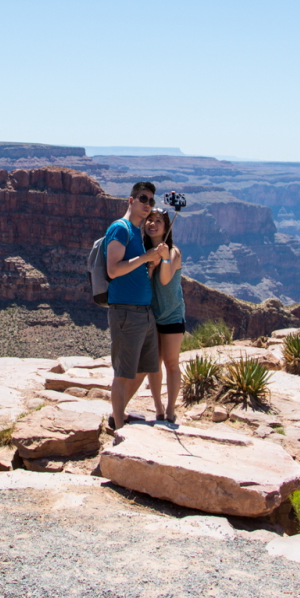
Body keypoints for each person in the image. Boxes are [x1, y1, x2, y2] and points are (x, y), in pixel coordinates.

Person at [104, 181, 163, 430]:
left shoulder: (136, 232)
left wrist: (148, 266)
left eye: (151, 201)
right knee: (122, 372)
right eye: (143, 198)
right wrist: (146, 257)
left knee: (145, 366)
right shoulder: (120, 229)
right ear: (130, 200)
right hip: (126, 311)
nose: (147, 204)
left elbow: (132, 266)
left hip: (143, 311)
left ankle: (120, 414)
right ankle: (118, 428)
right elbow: (113, 269)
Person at [142, 209, 185, 425]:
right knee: (153, 364)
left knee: (171, 363)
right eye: (149, 219)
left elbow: (166, 280)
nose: (153, 223)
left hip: (172, 316)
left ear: (166, 226)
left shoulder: (174, 252)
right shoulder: (144, 251)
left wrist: (164, 259)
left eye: (158, 221)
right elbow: (145, 284)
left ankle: (170, 410)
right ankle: (158, 408)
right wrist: (151, 267)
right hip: (152, 315)